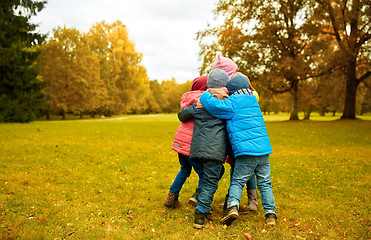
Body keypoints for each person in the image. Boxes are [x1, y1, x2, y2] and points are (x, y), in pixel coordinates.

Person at [199, 75, 277, 226]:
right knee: (265, 183)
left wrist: (205, 95)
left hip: (246, 152)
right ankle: (270, 215)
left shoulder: (232, 102)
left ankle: (233, 206)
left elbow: (215, 106)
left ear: (232, 91)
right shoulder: (254, 101)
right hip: (264, 151)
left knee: (238, 180)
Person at [178, 68, 231, 229]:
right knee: (210, 182)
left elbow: (182, 115)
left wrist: (193, 107)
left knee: (216, 174)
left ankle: (200, 198)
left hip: (196, 150)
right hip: (214, 151)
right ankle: (200, 215)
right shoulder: (226, 103)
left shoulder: (201, 101)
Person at [212, 55, 259, 213]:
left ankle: (248, 201)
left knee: (245, 167)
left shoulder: (238, 82)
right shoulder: (225, 87)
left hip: (242, 133)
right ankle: (233, 201)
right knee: (237, 166)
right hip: (235, 133)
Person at [164, 76, 208, 209]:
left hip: (180, 142)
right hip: (192, 145)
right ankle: (198, 198)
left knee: (184, 169)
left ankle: (172, 196)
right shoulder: (205, 100)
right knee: (203, 173)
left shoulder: (186, 99)